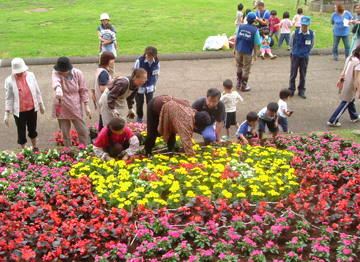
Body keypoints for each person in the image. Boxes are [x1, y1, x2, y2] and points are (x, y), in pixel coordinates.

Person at [144, 95, 211, 157]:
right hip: (155, 105)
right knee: (152, 132)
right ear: (196, 122)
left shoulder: (192, 113)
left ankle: (172, 150)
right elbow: (186, 139)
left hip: (169, 109)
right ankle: (148, 152)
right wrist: (192, 156)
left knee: (171, 129)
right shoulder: (186, 120)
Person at [4, 58, 45, 151]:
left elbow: (37, 90)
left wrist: (41, 103)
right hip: (19, 111)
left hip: (31, 108)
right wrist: (7, 113)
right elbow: (9, 98)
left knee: (32, 128)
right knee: (21, 131)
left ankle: (35, 147)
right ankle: (24, 150)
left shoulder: (31, 75)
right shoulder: (9, 81)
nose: (21, 72)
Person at [52, 57, 91, 149]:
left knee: (82, 130)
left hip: (75, 104)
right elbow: (55, 81)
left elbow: (83, 89)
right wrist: (58, 89)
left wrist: (86, 105)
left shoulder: (78, 73)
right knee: (65, 131)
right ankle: (68, 150)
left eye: (62, 71)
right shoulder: (56, 73)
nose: (60, 72)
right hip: (61, 103)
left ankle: (84, 148)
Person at [327, 45, 360, 127]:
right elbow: (356, 77)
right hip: (350, 84)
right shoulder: (358, 63)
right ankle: (333, 120)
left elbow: (344, 70)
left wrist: (340, 79)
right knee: (346, 101)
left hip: (345, 81)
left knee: (350, 100)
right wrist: (359, 89)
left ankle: (354, 116)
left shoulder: (350, 57)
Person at [288, 16, 316, 99]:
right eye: (302, 25)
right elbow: (291, 43)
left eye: (305, 25)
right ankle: (291, 89)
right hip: (296, 56)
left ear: (309, 24)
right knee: (293, 73)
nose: (304, 27)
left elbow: (312, 45)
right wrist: (295, 52)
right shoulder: (295, 33)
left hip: (304, 56)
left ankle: (301, 90)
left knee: (303, 74)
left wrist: (306, 52)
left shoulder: (312, 34)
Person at [234, 12, 261, 91]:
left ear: (246, 19)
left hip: (239, 49)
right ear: (254, 20)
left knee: (239, 65)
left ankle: (238, 82)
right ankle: (244, 85)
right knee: (246, 68)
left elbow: (236, 38)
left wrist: (235, 49)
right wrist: (255, 54)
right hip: (247, 52)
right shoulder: (255, 31)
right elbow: (256, 44)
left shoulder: (241, 27)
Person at [134, 46, 160, 124]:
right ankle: (139, 117)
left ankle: (150, 118)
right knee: (139, 103)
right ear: (145, 54)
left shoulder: (157, 61)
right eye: (148, 57)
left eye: (151, 57)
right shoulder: (139, 60)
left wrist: (155, 84)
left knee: (150, 103)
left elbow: (157, 73)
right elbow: (135, 73)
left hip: (150, 86)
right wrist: (136, 85)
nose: (149, 59)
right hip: (140, 87)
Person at [93, 51, 115, 132]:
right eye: (111, 59)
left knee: (102, 120)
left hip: (99, 99)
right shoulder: (104, 73)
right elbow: (103, 88)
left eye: (113, 59)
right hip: (104, 100)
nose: (112, 61)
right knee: (105, 122)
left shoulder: (100, 70)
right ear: (105, 60)